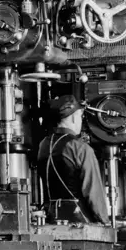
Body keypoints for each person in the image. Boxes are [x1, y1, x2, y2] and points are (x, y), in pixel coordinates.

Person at [36, 95, 110, 225]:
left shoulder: (43, 144)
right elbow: (93, 191)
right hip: (80, 222)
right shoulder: (80, 148)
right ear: (75, 117)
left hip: (51, 219)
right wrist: (105, 222)